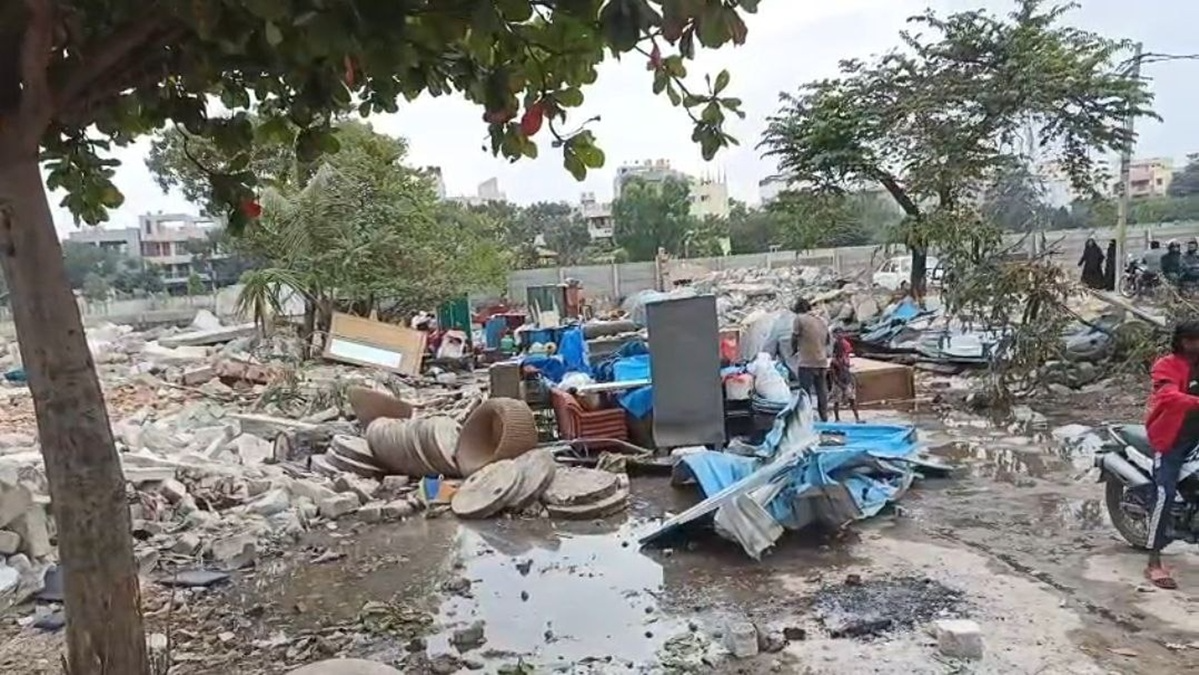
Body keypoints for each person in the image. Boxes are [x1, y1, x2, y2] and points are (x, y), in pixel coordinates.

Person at [1143, 320, 1199, 589]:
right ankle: (1153, 562)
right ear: (1180, 341)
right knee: (1165, 493)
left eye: (1197, 340)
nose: (1194, 345)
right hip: (1171, 439)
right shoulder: (1166, 365)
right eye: (1189, 340)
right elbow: (1167, 396)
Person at [790, 297, 830, 422]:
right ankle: (824, 417)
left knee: (805, 392)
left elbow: (794, 337)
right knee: (821, 391)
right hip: (822, 361)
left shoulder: (799, 319)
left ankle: (807, 418)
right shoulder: (821, 320)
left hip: (807, 362)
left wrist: (793, 350)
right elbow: (828, 340)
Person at [828, 327, 861, 423]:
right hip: (839, 382)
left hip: (846, 380)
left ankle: (857, 418)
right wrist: (839, 383)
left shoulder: (845, 359)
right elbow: (833, 373)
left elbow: (847, 370)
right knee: (837, 401)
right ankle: (837, 419)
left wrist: (850, 380)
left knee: (851, 400)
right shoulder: (835, 361)